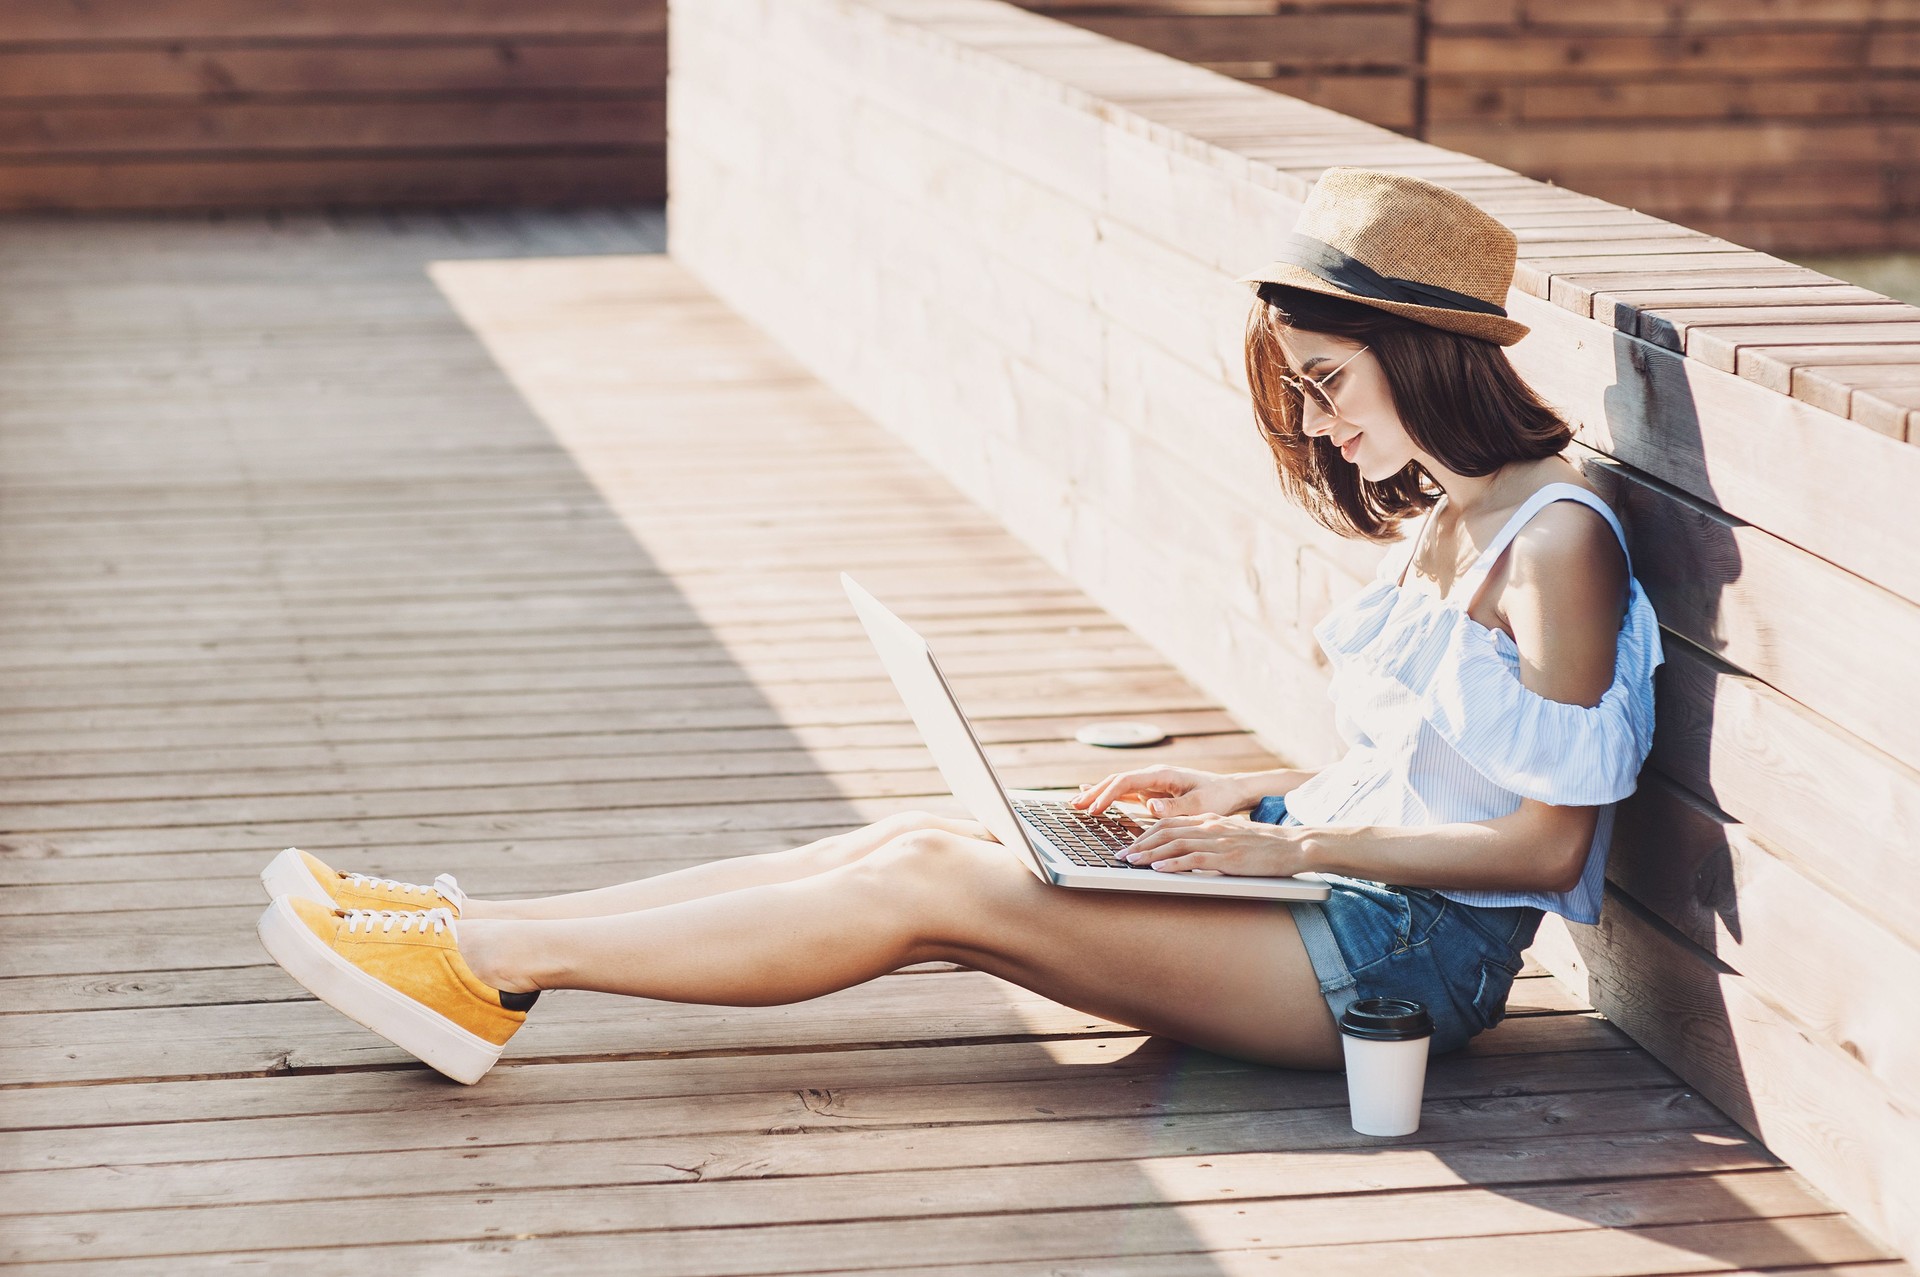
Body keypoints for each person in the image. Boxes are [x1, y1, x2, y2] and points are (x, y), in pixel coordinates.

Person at [255, 167, 1663, 1086]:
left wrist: (1286, 845)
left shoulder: (1557, 547)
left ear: (1423, 354)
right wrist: (1254, 795)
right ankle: (472, 932)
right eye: (1299, 384)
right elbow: (1437, 763)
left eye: (1325, 377)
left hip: (1406, 961)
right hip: (1339, 895)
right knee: (921, 837)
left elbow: (1544, 845)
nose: (1313, 418)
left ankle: (487, 966)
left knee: (938, 885)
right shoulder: (1462, 516)